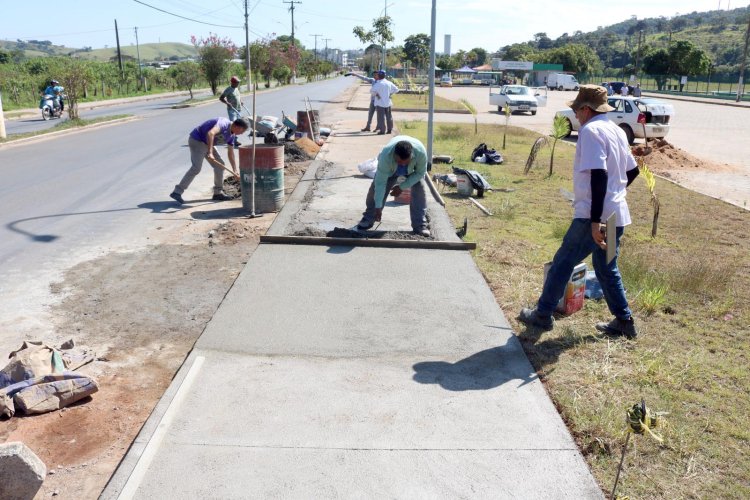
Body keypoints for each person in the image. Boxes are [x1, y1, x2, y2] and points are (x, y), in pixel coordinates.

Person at [518, 84, 640, 338]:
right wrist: (614, 195)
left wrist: (596, 220)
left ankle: (542, 315)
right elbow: (633, 171)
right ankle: (624, 320)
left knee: (563, 261)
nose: (575, 115)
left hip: (591, 219)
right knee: (607, 267)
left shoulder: (591, 131)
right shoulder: (616, 131)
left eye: (576, 109)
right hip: (616, 214)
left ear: (586, 109)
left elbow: (599, 174)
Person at [357, 135, 430, 237]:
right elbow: (380, 183)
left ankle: (420, 225)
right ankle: (369, 217)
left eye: (406, 162)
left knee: (419, 189)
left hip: (412, 172)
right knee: (374, 189)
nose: (403, 164)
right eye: (400, 162)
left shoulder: (420, 153)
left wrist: (401, 187)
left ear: (411, 155)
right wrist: (378, 206)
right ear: (394, 155)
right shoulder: (386, 156)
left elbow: (420, 173)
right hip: (391, 171)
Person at [169, 117, 248, 205]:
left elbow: (231, 153)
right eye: (242, 131)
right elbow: (210, 133)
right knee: (196, 168)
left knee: (220, 166)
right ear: (237, 127)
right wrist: (210, 152)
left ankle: (217, 193)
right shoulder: (223, 123)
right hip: (197, 141)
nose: (242, 133)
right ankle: (177, 192)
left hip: (208, 144)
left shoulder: (231, 136)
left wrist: (235, 171)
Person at [371, 70, 399, 135]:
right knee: (389, 117)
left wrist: (376, 94)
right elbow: (397, 89)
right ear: (384, 75)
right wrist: (390, 94)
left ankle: (382, 131)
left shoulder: (378, 84)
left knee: (381, 118)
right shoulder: (389, 83)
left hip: (380, 103)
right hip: (388, 103)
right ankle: (389, 130)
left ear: (379, 76)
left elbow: (372, 91)